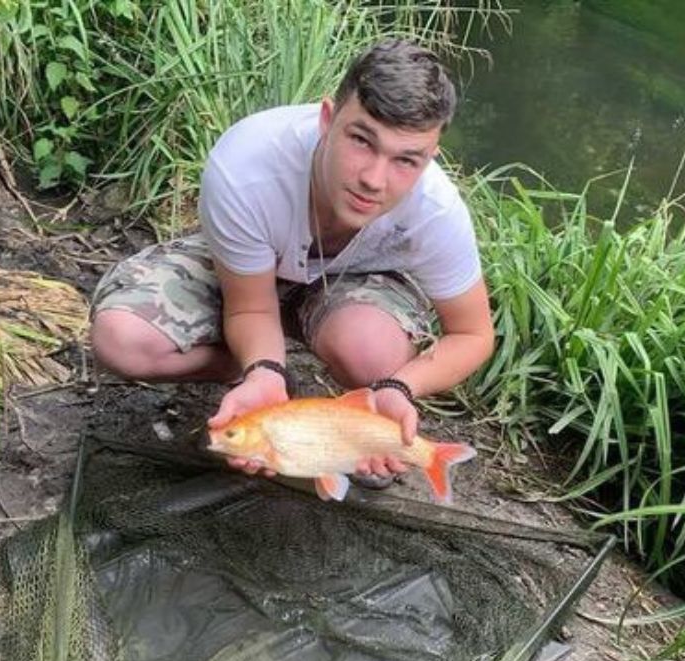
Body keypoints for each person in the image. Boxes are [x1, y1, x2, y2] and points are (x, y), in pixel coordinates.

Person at [89, 38, 494, 484]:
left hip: (353, 288)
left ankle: (353, 426)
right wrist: (264, 370)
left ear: (429, 158)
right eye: (361, 140)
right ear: (327, 119)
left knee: (372, 355)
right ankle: (260, 368)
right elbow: (251, 307)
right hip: (250, 272)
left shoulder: (436, 209)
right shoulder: (246, 165)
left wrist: (399, 386)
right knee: (121, 339)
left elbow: (473, 333)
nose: (374, 179)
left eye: (406, 160)